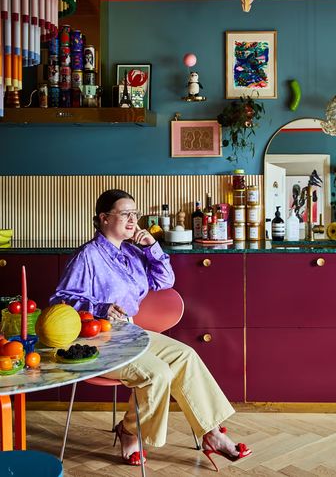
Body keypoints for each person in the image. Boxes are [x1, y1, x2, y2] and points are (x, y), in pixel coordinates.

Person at [51, 189, 251, 469]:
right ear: (104, 218)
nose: (133, 220)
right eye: (125, 214)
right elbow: (60, 299)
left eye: (135, 214)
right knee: (157, 373)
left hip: (129, 333)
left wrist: (151, 247)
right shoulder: (88, 256)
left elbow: (165, 280)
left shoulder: (133, 252)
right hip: (95, 339)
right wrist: (99, 307)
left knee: (186, 356)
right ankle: (129, 431)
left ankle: (211, 433)